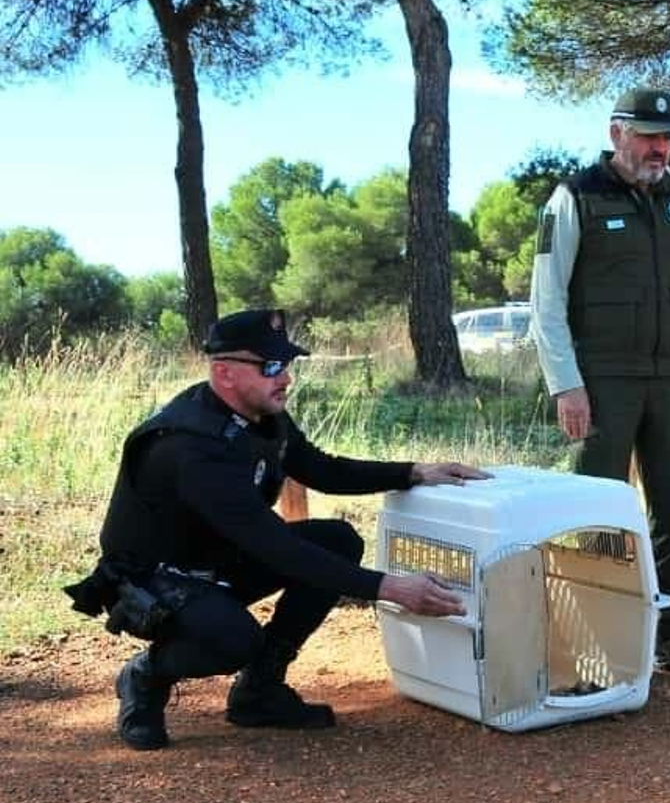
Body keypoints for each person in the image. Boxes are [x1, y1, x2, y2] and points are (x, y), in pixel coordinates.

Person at [65, 309, 489, 751]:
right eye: (270, 367)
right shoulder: (190, 448)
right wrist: (389, 587)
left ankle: (259, 691)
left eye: (287, 365)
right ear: (224, 373)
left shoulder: (260, 417)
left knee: (338, 541)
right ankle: (145, 675)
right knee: (234, 641)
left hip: (219, 560)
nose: (284, 377)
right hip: (154, 582)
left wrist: (414, 472)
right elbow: (278, 547)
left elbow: (321, 469)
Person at [530, 87, 670, 680]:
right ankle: (594, 643)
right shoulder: (575, 197)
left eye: (666, 137)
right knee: (596, 513)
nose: (659, 148)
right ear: (617, 133)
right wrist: (566, 384)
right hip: (602, 381)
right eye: (646, 136)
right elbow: (548, 298)